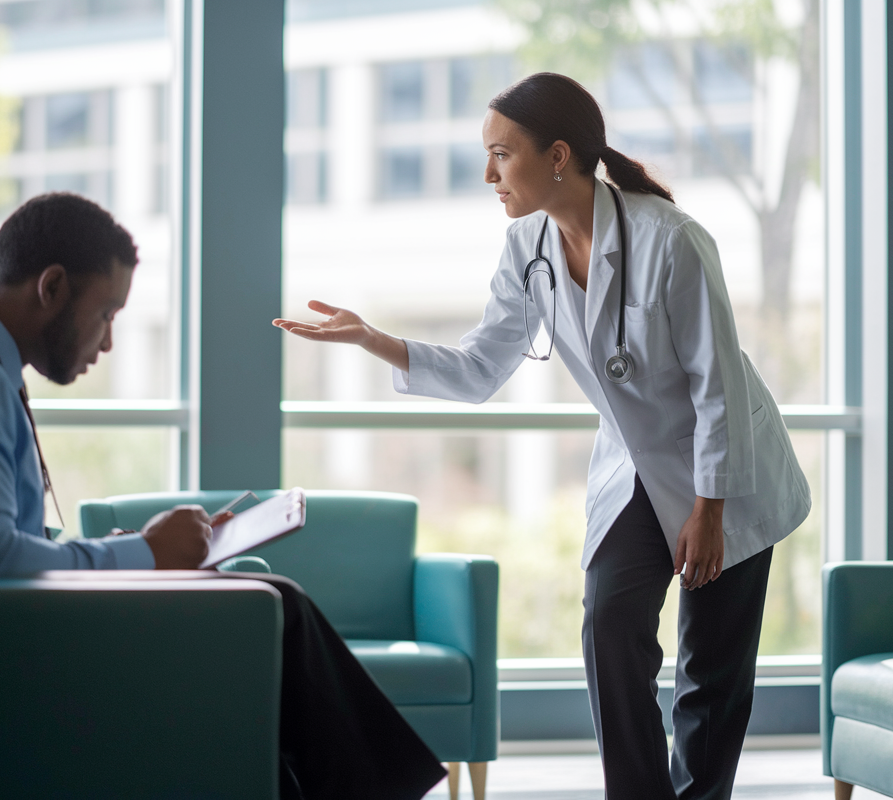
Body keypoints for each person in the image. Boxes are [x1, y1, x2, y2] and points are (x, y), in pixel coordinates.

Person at [274, 73, 811, 800]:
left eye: (502, 154)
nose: (490, 174)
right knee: (609, 626)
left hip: (728, 474)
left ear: (558, 155)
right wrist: (376, 340)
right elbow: (477, 368)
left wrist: (710, 510)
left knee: (710, 676)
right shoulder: (528, 245)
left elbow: (715, 383)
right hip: (637, 467)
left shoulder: (671, 240)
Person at [0, 192, 445, 800]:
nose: (105, 344)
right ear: (51, 287)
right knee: (270, 607)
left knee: (258, 610)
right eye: (106, 314)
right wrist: (146, 556)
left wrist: (129, 551)